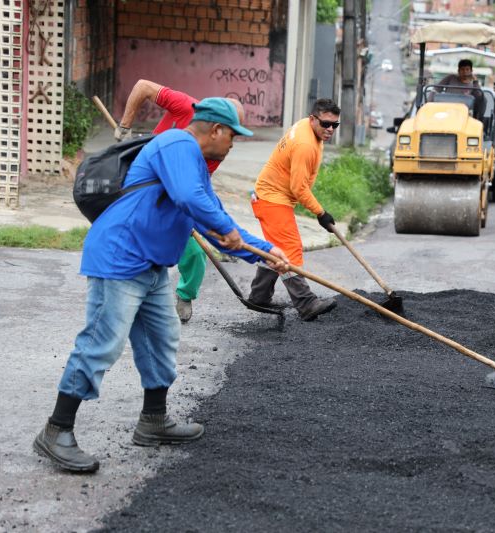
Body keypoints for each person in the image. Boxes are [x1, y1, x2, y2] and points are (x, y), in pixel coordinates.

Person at [33, 98, 289, 473]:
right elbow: (192, 201)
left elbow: (208, 221)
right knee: (101, 343)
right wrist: (229, 230)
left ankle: (153, 422)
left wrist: (265, 253)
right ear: (216, 130)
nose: (234, 144)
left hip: (150, 265)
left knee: (162, 339)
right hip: (120, 258)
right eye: (233, 135)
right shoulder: (177, 145)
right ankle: (57, 430)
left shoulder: (193, 166)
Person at [116, 79, 244, 324]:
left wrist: (223, 230)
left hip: (172, 200)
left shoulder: (215, 151)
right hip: (145, 189)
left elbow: (196, 192)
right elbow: (142, 86)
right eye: (232, 131)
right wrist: (124, 127)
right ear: (218, 124)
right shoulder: (186, 107)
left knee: (195, 254)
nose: (232, 141)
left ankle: (184, 295)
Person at [246, 98, 341, 321]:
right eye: (325, 124)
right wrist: (320, 212)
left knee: (278, 248)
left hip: (271, 196)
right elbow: (298, 188)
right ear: (313, 119)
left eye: (334, 125)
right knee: (289, 250)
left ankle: (258, 296)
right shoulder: (305, 145)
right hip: (272, 199)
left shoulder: (308, 129)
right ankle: (306, 303)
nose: (330, 130)